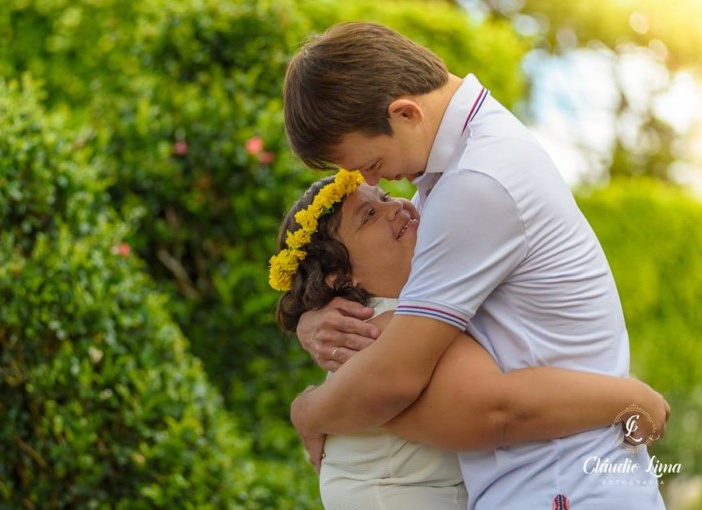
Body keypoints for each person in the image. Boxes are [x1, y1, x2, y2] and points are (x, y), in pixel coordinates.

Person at [281, 22, 667, 509]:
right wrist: (315, 315)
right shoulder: (458, 159)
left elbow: (397, 380)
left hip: (558, 485)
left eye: (373, 165)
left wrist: (307, 412)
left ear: (404, 113)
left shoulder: (476, 183)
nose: (383, 182)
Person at [269, 170, 668, 510]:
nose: (401, 208)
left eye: (387, 195)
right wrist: (630, 399)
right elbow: (502, 410)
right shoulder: (384, 329)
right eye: (370, 214)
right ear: (341, 278)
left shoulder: (388, 311)